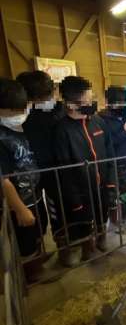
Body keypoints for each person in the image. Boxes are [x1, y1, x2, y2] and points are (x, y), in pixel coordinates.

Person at [54, 76, 116, 266]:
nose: (92, 104)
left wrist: (111, 182)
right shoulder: (62, 131)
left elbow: (110, 153)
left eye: (92, 99)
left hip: (102, 185)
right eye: (87, 102)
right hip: (81, 191)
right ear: (71, 105)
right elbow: (64, 171)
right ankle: (87, 250)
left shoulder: (98, 122)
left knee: (102, 213)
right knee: (84, 220)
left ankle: (101, 239)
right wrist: (74, 199)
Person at [0, 79, 49, 282]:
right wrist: (19, 209)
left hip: (35, 195)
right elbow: (3, 179)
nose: (19, 115)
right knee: (25, 239)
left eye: (21, 109)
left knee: (39, 228)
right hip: (18, 202)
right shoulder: (2, 137)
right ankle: (31, 272)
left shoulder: (24, 127)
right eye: (12, 112)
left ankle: (38, 259)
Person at [16, 70, 65, 245]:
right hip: (32, 171)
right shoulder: (22, 116)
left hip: (57, 168)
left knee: (58, 207)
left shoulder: (59, 110)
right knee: (38, 209)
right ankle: (40, 243)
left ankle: (62, 242)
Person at [99, 86, 126, 224]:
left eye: (124, 102)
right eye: (119, 102)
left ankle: (125, 215)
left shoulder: (125, 114)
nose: (122, 105)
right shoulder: (103, 119)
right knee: (113, 191)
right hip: (115, 161)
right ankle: (114, 218)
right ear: (110, 102)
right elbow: (108, 142)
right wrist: (125, 132)